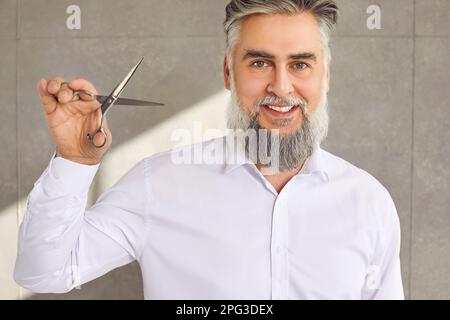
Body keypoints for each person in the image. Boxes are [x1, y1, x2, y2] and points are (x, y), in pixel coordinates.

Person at [14, 0, 404, 299]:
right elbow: (44, 272)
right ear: (228, 73)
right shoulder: (159, 184)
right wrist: (74, 162)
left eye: (300, 65)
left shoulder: (369, 202)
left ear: (326, 75)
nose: (282, 88)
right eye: (260, 63)